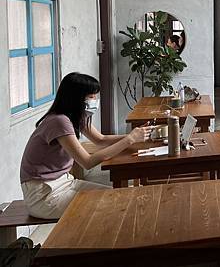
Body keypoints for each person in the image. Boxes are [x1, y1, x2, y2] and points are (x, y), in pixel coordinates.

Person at [20, 72, 154, 218]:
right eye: (91, 97)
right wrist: (130, 139)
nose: (95, 100)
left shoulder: (75, 117)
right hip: (43, 195)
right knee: (115, 204)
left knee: (120, 196)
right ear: (76, 98)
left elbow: (100, 139)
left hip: (64, 183)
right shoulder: (59, 121)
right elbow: (87, 162)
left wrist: (136, 135)